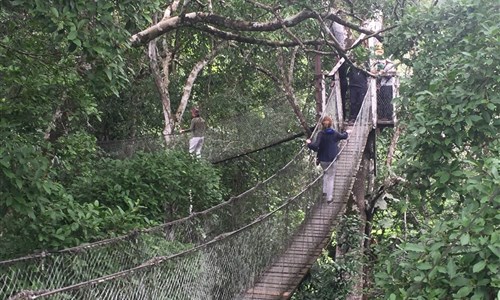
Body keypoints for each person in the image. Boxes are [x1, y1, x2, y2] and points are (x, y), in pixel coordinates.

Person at [306, 116, 348, 203]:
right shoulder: (335, 133)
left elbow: (315, 146)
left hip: (323, 160)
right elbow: (344, 136)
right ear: (331, 124)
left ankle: (325, 191)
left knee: (325, 173)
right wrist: (346, 132)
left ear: (322, 124)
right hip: (333, 159)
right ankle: (329, 198)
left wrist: (309, 144)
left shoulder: (320, 134)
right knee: (331, 177)